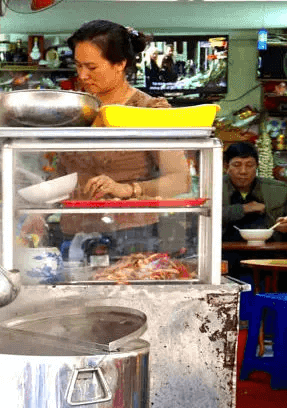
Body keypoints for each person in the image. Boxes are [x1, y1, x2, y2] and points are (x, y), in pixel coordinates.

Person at [56, 20, 190, 257]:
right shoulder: (75, 109)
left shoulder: (149, 110)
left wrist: (127, 189)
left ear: (120, 64)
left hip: (132, 237)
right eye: (78, 66)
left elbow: (180, 180)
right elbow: (60, 174)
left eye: (91, 67)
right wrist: (35, 210)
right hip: (73, 235)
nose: (82, 75)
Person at [222, 141, 287, 243]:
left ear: (257, 166)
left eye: (249, 165)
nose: (243, 171)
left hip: (268, 252)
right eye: (237, 165)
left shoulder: (276, 190)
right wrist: (243, 209)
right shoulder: (214, 188)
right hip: (223, 253)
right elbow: (204, 218)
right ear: (226, 166)